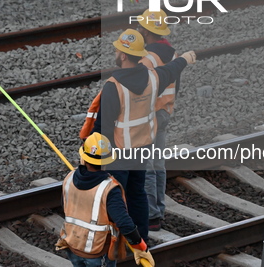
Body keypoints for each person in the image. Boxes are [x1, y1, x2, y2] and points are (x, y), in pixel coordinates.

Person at [79, 29, 196, 240]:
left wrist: (90, 154)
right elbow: (171, 69)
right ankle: (140, 239)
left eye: (117, 49)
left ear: (123, 55)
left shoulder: (113, 87)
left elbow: (103, 128)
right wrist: (186, 59)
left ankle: (116, 242)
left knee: (115, 198)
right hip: (143, 147)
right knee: (137, 194)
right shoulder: (153, 77)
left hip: (120, 152)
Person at [56, 132, 155, 266]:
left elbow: (66, 206)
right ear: (108, 161)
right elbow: (123, 222)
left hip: (73, 245)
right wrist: (140, 247)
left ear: (83, 158)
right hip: (97, 251)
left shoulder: (69, 178)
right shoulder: (109, 188)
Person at [137, 9, 179, 232]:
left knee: (146, 168)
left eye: (141, 27)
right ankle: (158, 210)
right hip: (164, 113)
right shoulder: (171, 53)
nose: (139, 30)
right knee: (158, 164)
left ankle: (151, 216)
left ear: (147, 30)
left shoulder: (147, 59)